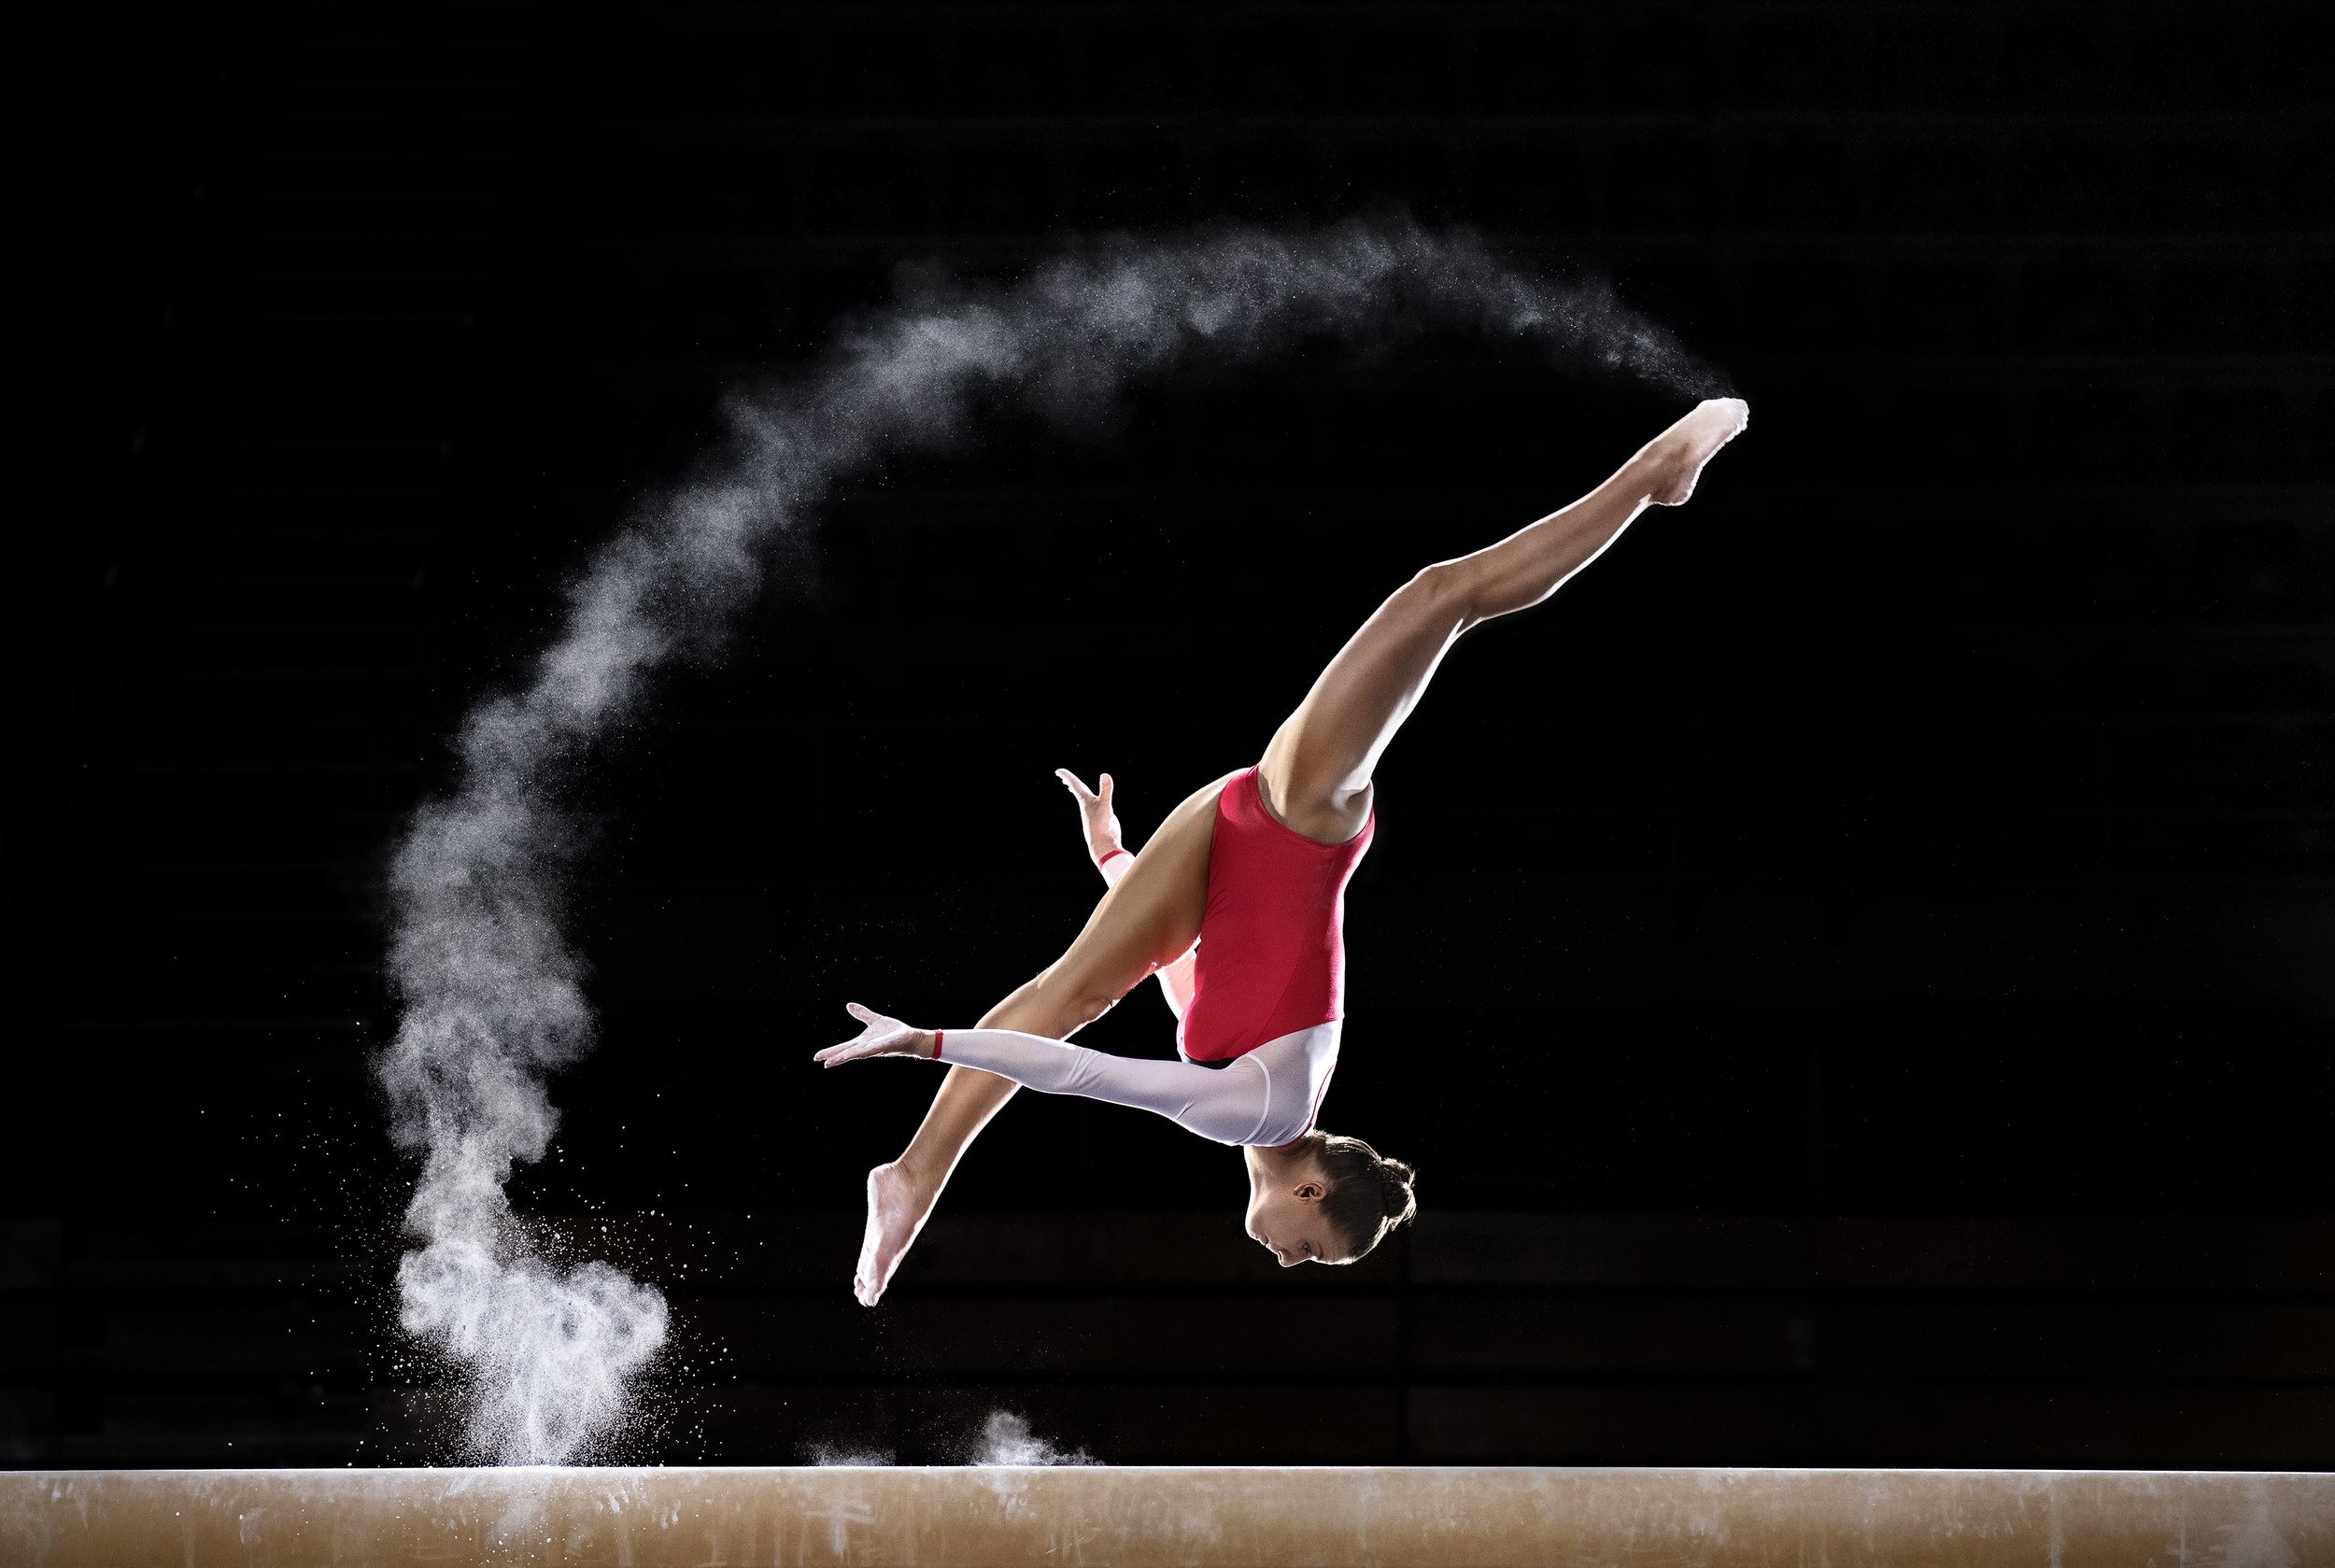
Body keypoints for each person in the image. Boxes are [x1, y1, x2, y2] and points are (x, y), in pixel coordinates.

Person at [818, 397, 1751, 1307]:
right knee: (1443, 596)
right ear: (1309, 1191)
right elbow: (1079, 1073)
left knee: (1074, 989)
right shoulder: (1256, 1112)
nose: (1288, 1262)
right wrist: (922, 1041)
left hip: (1225, 847)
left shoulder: (1249, 1100)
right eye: (1312, 1253)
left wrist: (1114, 859)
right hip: (1298, 820)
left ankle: (908, 1176)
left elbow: (1186, 977)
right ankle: (1648, 480)